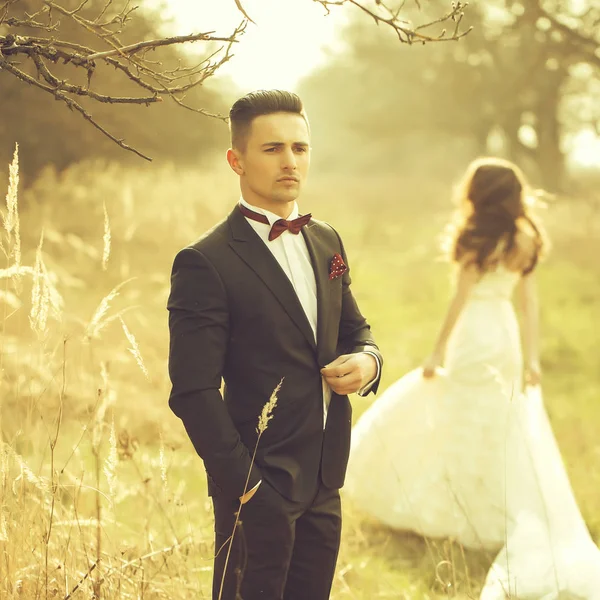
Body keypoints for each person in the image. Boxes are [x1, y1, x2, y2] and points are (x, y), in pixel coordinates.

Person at [344, 157, 600, 599]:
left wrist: (439, 349)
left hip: (475, 333)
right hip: (505, 335)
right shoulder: (526, 238)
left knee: (458, 414)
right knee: (499, 421)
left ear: (477, 195)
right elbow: (529, 303)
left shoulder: (475, 236)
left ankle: (458, 510)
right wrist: (532, 356)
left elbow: (460, 298)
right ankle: (491, 511)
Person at [166, 90, 383, 600]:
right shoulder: (205, 261)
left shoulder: (326, 240)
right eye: (272, 149)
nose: (290, 161)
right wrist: (246, 487)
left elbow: (356, 330)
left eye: (300, 148)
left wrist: (369, 362)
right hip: (256, 487)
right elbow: (193, 390)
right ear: (235, 160)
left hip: (326, 480)